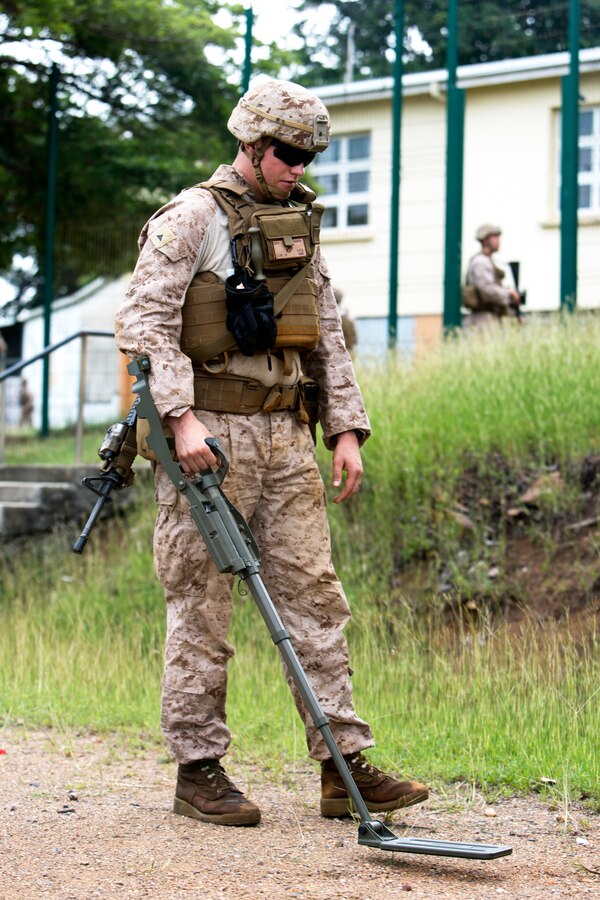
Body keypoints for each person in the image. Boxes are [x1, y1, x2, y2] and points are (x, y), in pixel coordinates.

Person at [115, 78, 428, 828]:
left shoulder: (300, 222)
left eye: (308, 155)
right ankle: (199, 769)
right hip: (209, 442)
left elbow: (324, 329)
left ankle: (341, 765)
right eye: (289, 153)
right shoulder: (190, 217)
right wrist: (181, 421)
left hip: (287, 438)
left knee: (316, 601)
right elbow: (145, 322)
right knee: (203, 607)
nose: (299, 166)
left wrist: (344, 428)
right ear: (251, 144)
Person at [462, 224, 523, 328]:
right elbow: (487, 290)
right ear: (485, 240)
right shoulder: (480, 262)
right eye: (494, 237)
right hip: (483, 320)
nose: (498, 241)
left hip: (491, 317)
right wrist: (509, 294)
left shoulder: (488, 261)